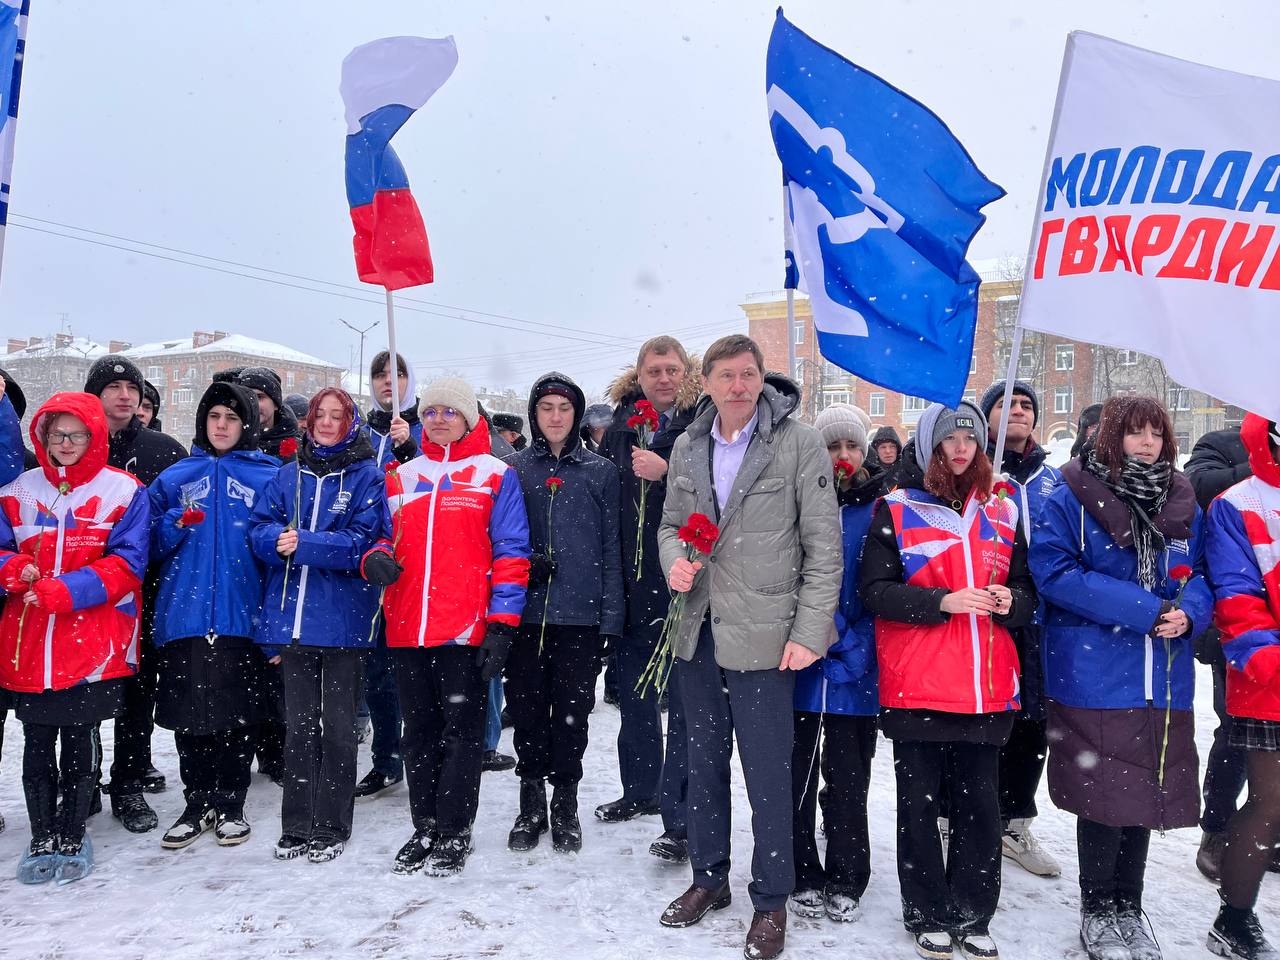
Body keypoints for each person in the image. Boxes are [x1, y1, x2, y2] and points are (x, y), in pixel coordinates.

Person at [657, 335, 840, 960]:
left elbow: (824, 547)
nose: (739, 385)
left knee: (768, 777)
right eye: (726, 375)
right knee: (702, 765)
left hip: (768, 638)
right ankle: (709, 878)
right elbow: (671, 527)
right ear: (705, 382)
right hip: (699, 631)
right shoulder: (688, 445)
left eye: (749, 374)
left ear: (762, 380)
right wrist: (674, 563)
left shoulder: (797, 442)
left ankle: (771, 899)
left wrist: (809, 632)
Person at [1032, 395, 1211, 960]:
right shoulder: (1068, 493)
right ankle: (1097, 911)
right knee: (1103, 796)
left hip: (1162, 674)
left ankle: (1129, 909)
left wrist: (1191, 611)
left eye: (1157, 432)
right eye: (1135, 432)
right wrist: (1144, 610)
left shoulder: (1181, 499)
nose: (1148, 442)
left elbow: (1202, 572)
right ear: (1111, 436)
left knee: (1145, 795)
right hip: (1094, 671)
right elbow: (1055, 573)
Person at [860, 400, 1035, 960]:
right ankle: (925, 908)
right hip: (920, 684)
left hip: (986, 687)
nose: (961, 448)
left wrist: (1011, 602)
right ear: (930, 445)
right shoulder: (898, 508)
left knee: (981, 807)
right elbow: (875, 592)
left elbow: (1028, 593)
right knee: (918, 804)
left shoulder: (1003, 509)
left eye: (971, 439)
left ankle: (973, 910)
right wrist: (943, 601)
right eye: (949, 439)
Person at [373, 377, 530, 877]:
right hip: (407, 628)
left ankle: (454, 828)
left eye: (450, 411)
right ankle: (424, 825)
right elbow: (378, 538)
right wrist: (374, 558)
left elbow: (511, 553)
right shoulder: (399, 478)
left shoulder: (494, 475)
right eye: (431, 410)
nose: (439, 418)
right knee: (418, 733)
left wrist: (502, 624)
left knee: (463, 735)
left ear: (468, 418)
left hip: (465, 629)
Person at [0, 392, 149, 883]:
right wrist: (15, 566)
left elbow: (129, 564)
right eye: (56, 434)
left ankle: (72, 830)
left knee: (80, 741)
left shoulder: (122, 491)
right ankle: (42, 832)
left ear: (94, 436)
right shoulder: (17, 490)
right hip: (31, 642)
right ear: (42, 437)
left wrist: (69, 591)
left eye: (76, 434)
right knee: (37, 742)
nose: (65, 443)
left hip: (91, 640)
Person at [249, 388, 387, 863]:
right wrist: (274, 540)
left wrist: (304, 543)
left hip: (343, 622)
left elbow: (363, 542)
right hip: (292, 622)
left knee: (339, 728)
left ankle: (332, 822)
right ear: (308, 421)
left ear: (350, 422)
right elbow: (259, 530)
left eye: (337, 416)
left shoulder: (368, 476)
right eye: (319, 415)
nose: (327, 423)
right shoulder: (287, 476)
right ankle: (297, 822)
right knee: (298, 727)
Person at [149, 381, 279, 850]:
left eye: (232, 417)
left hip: (242, 616)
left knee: (235, 716)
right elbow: (149, 549)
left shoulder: (270, 476)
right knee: (190, 717)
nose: (222, 426)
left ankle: (230, 802)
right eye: (214, 417)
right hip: (183, 615)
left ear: (247, 425)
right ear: (202, 423)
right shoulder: (176, 477)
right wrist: (174, 523)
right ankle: (195, 801)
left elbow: (278, 553)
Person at [505, 373, 623, 853]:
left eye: (564, 408)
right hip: (525, 615)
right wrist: (521, 567)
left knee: (573, 715)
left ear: (577, 416)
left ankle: (565, 800)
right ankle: (530, 797)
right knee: (529, 712)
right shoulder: (512, 468)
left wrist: (610, 620)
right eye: (546, 407)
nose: (555, 416)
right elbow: (499, 539)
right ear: (535, 414)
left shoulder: (600, 472)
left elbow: (612, 548)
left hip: (580, 616)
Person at [594, 335, 701, 866]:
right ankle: (640, 789)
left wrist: (670, 474)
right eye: (654, 370)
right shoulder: (619, 428)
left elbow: (717, 490)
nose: (663, 378)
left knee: (682, 703)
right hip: (631, 585)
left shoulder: (701, 422)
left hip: (683, 579)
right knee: (633, 696)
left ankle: (679, 815)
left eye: (672, 369)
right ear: (638, 374)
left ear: (687, 373)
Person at [83, 354, 186, 833]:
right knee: (79, 691)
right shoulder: (75, 444)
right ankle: (81, 780)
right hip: (83, 590)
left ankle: (128, 780)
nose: (125, 395)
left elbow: (183, 515)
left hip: (146, 590)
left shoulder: (162, 449)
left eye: (133, 387)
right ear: (94, 392)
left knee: (137, 689)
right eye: (114, 386)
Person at [789, 404, 880, 925]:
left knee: (848, 778)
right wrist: (814, 632)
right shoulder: (799, 503)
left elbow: (885, 585)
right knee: (796, 773)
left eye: (851, 446)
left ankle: (848, 873)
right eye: (832, 446)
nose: (842, 456)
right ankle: (801, 868)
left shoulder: (881, 511)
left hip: (857, 668)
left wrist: (851, 641)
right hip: (801, 660)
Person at [978, 380, 1063, 878]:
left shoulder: (1054, 480)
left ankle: (1014, 820)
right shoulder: (976, 470)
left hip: (1041, 616)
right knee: (978, 718)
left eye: (1027, 405)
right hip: (987, 609)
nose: (1018, 412)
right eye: (1006, 405)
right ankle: (954, 812)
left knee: (1033, 723)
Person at [1205, 412, 1280, 960]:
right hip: (1269, 680)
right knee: (1270, 803)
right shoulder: (1236, 504)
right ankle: (1234, 918)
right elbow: (1236, 600)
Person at [1185, 424, 1254, 882]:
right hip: (1238, 616)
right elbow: (1198, 486)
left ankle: (1263, 826)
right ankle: (1219, 826)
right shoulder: (1224, 444)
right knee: (1238, 732)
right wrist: (1262, 465)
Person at [352, 350, 422, 802]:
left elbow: (435, 481)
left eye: (396, 375)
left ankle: (422, 754)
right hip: (368, 562)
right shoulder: (361, 433)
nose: (386, 383)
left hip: (415, 562)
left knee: (414, 672)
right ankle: (386, 759)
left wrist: (409, 449)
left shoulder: (422, 426)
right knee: (376, 670)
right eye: (379, 376)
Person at [237, 367, 300, 461]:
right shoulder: (229, 440)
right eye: (246, 397)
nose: (252, 403)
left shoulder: (296, 447)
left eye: (259, 397)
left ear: (275, 404)